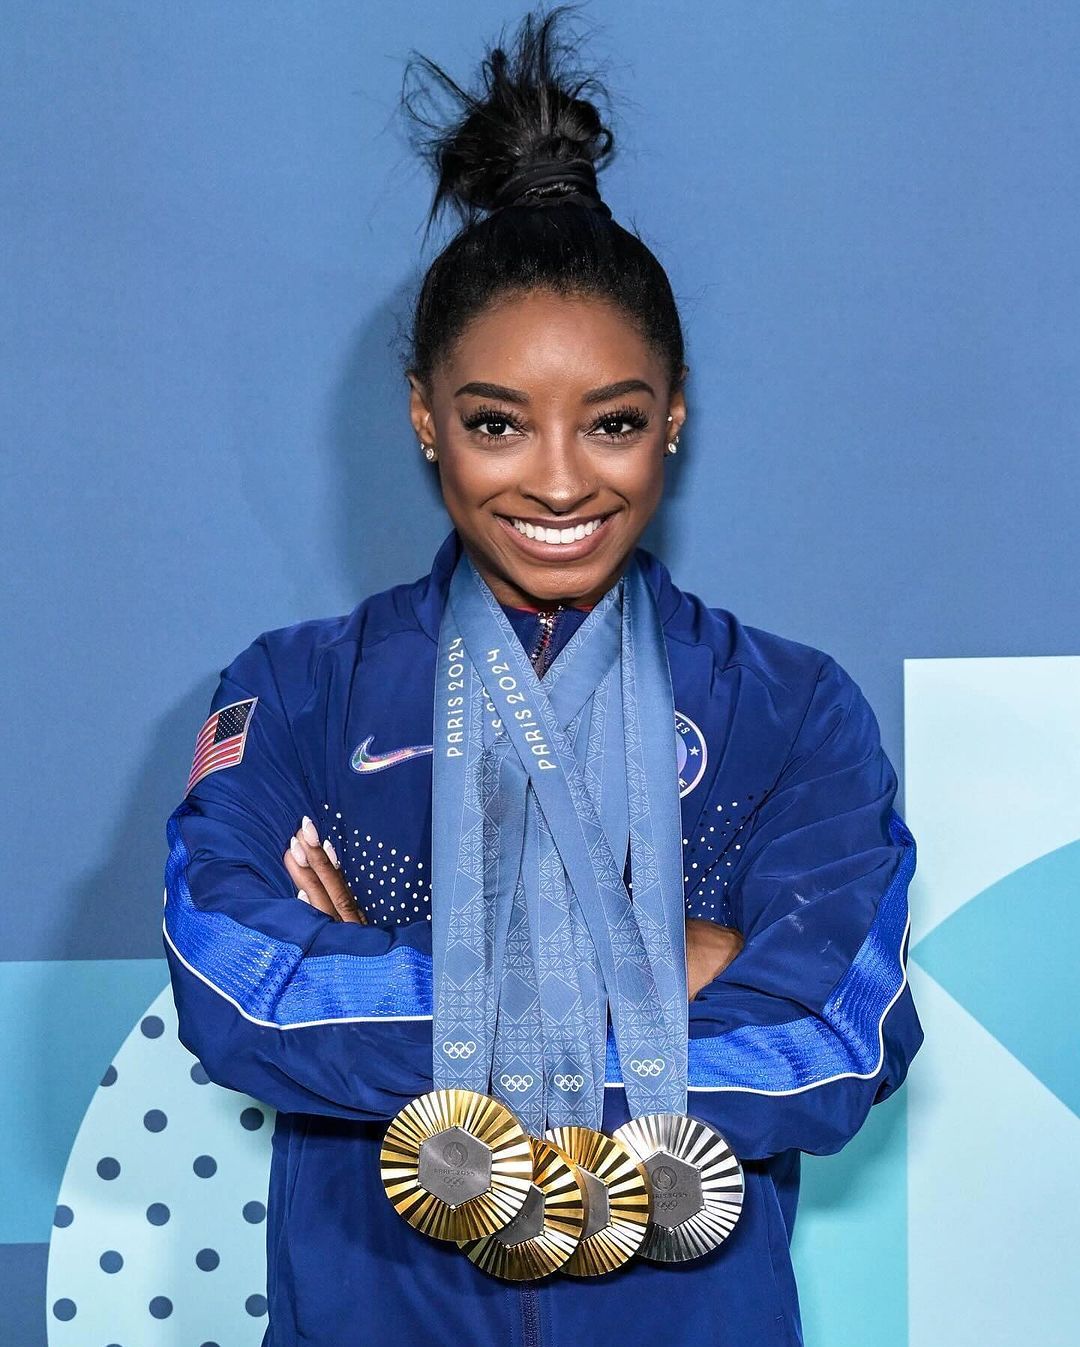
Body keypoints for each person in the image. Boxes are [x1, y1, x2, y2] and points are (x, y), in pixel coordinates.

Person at [162, 7, 923, 1344]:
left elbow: (832, 1040)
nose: (561, 482)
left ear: (673, 415)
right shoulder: (296, 691)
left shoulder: (793, 708)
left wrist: (388, 976)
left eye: (612, 422)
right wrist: (657, 970)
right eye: (498, 423)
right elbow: (236, 987)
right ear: (425, 418)